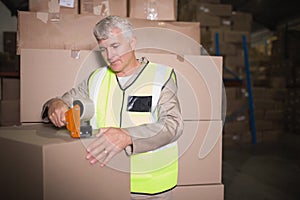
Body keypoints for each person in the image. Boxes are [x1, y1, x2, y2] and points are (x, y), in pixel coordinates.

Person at [42, 15, 183, 200]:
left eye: (115, 46)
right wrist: (55, 104)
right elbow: (62, 101)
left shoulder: (160, 76)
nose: (110, 56)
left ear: (132, 42)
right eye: (103, 49)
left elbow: (173, 125)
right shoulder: (96, 78)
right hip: (104, 182)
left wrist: (128, 136)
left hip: (149, 188)